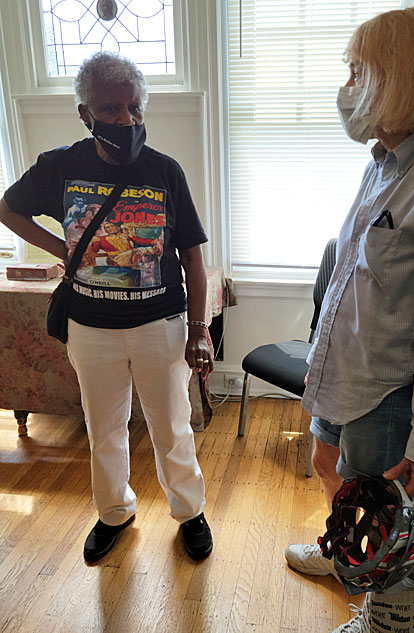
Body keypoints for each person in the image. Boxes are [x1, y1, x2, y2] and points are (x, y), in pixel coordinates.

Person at [284, 8, 414, 631]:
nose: (348, 85)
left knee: (385, 524)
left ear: (400, 78)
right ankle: (347, 558)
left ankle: (379, 611)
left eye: (358, 71)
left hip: (388, 395)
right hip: (340, 373)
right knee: (331, 473)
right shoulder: (381, 161)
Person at [0, 51, 215, 563]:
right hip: (90, 328)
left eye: (134, 108)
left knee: (172, 426)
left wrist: (199, 329)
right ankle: (114, 512)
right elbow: (7, 208)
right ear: (85, 113)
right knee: (104, 430)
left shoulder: (166, 171)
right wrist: (62, 251)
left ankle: (190, 512)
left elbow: (192, 259)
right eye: (111, 108)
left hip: (159, 324)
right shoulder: (61, 167)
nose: (126, 120)